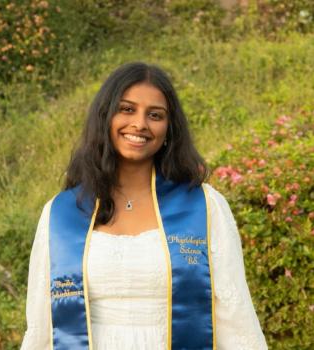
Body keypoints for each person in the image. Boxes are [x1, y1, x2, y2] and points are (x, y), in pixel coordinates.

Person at [21, 62, 268, 350]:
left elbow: (235, 316)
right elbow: (42, 324)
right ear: (105, 117)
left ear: (169, 129)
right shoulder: (61, 213)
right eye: (127, 109)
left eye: (155, 115)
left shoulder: (204, 207)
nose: (140, 124)